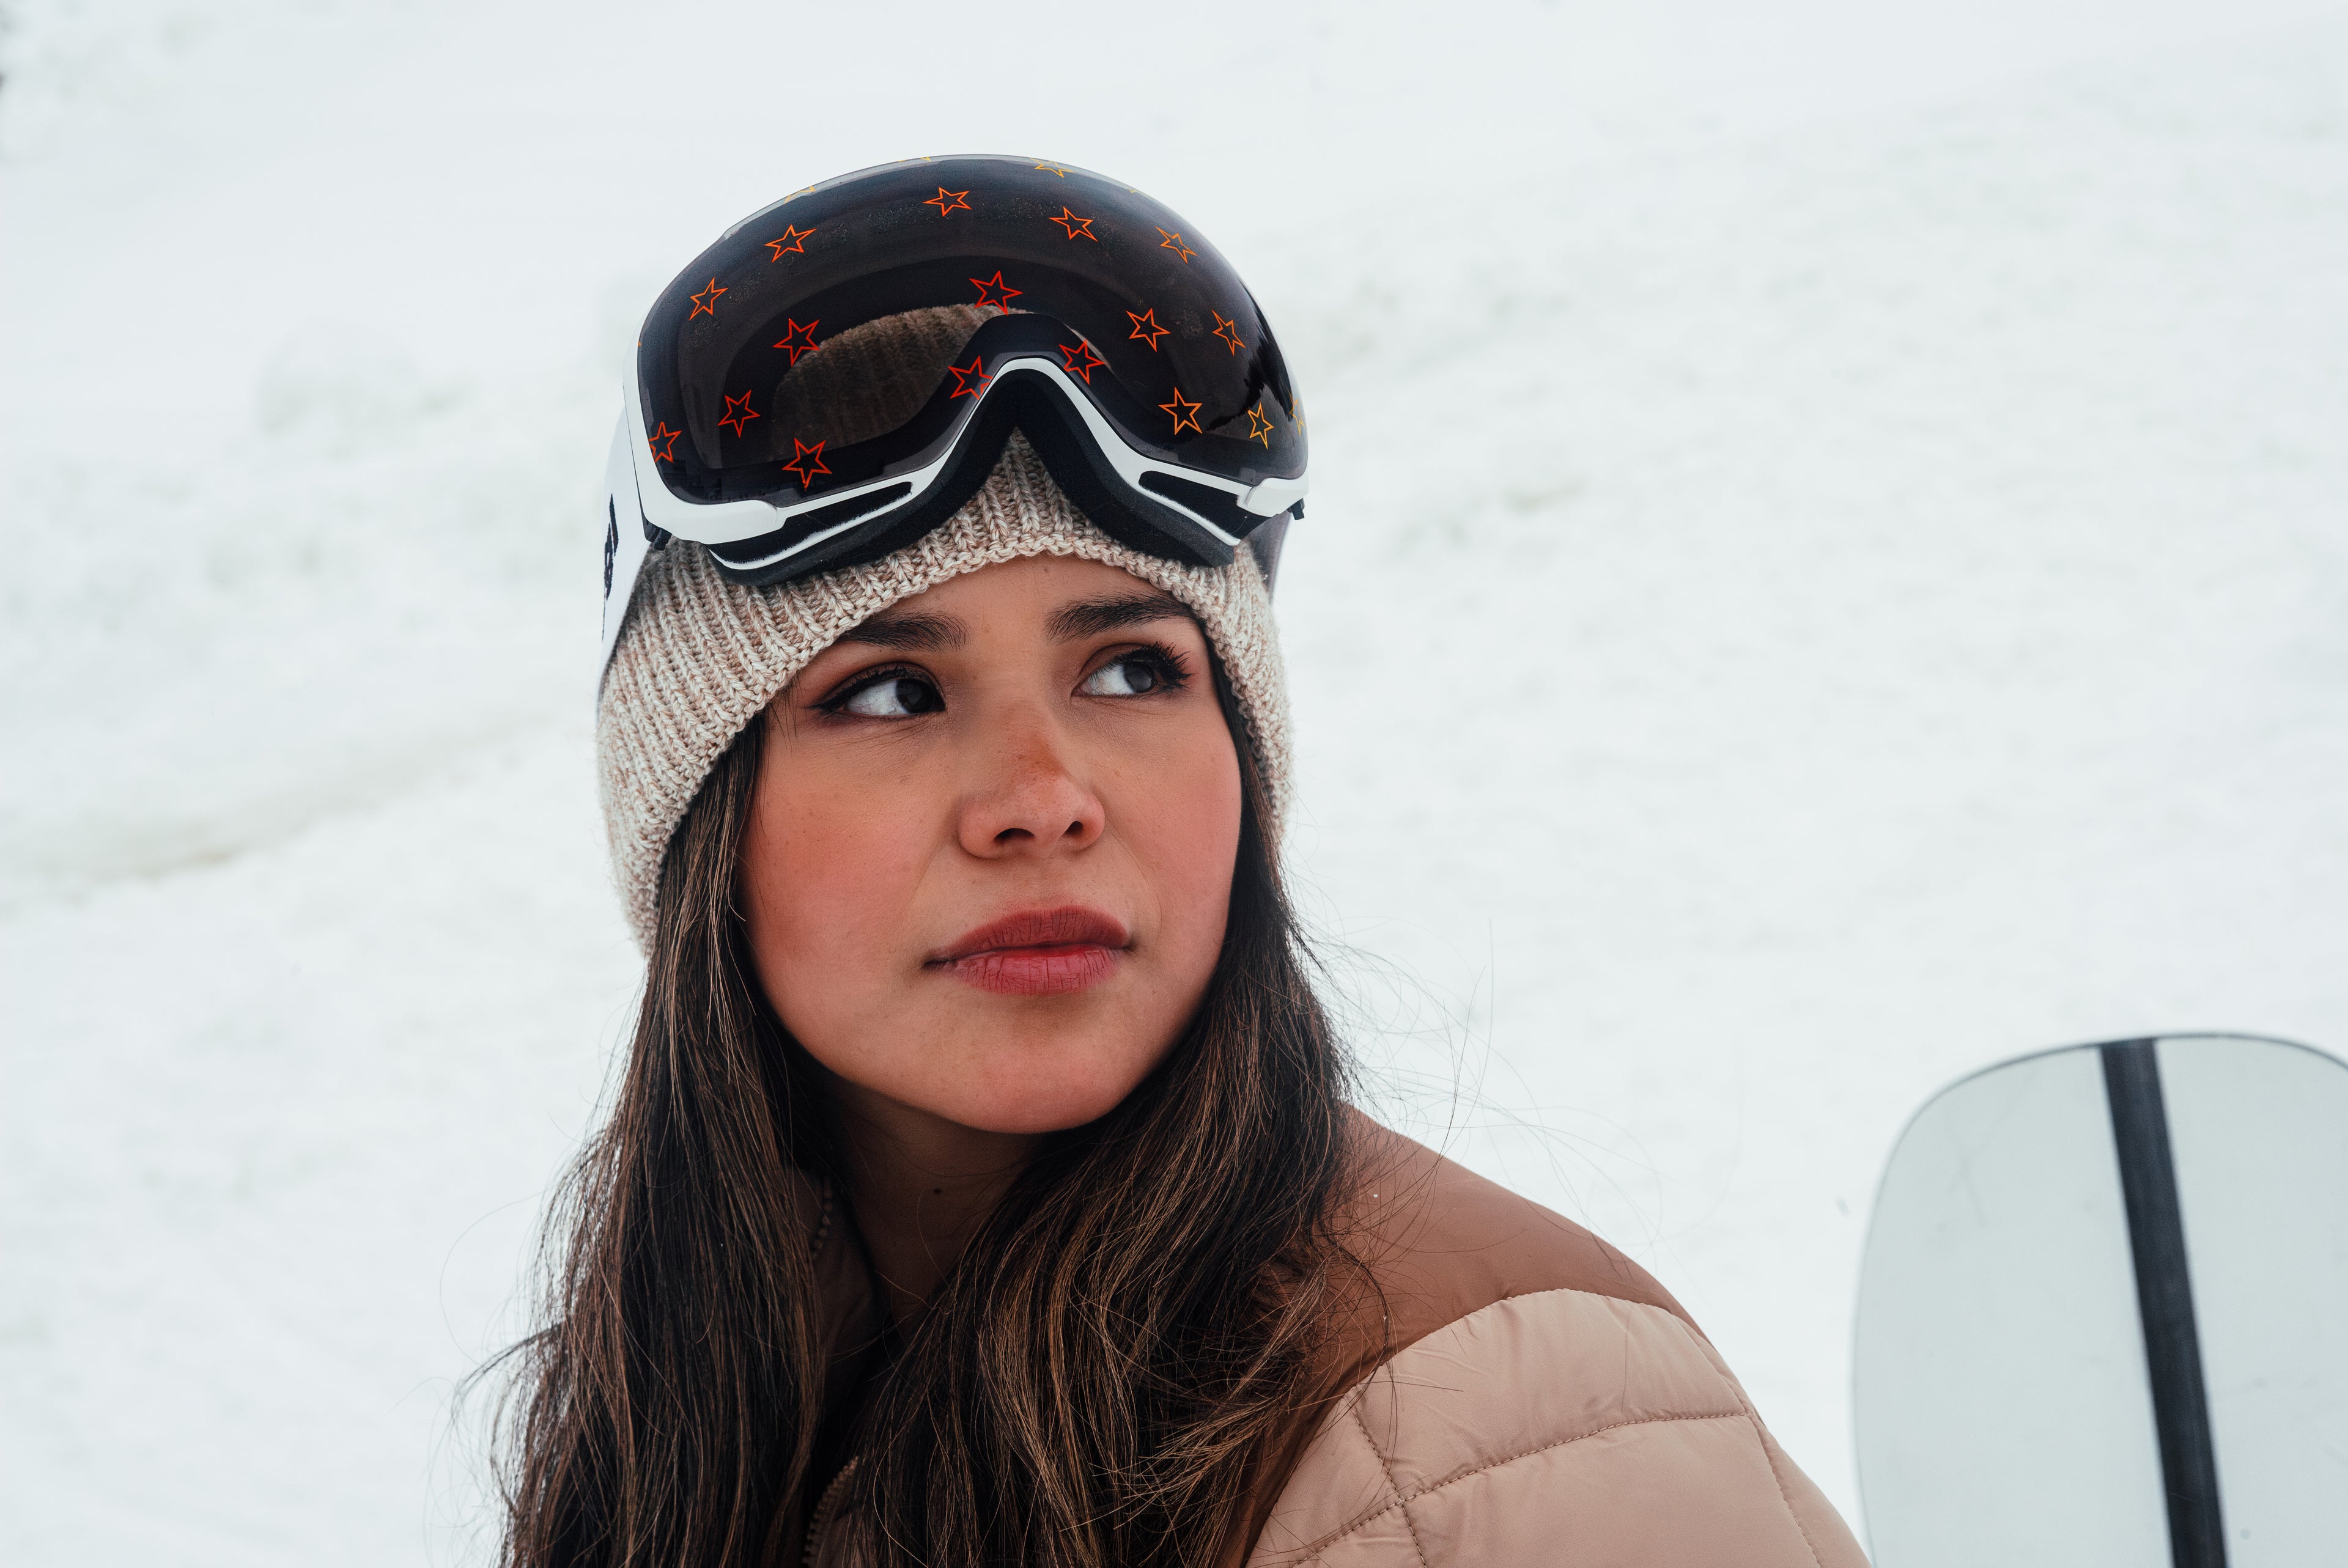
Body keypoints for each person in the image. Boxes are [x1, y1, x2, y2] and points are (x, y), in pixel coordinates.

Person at [497, 157, 1867, 1568]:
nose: (1042, 801)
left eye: (1133, 669)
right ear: (702, 818)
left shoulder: (1497, 1449)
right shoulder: (695, 1401)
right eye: (894, 692)